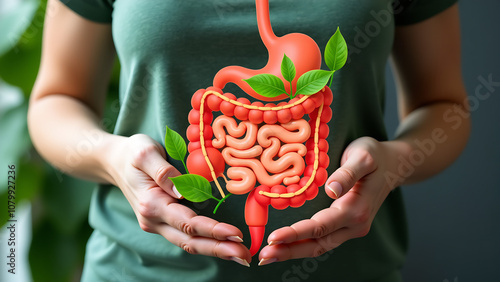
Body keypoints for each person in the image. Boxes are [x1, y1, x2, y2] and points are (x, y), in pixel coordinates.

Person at [28, 0, 470, 281]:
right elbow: (55, 100)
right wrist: (112, 156)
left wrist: (395, 161)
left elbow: (443, 105)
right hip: (141, 272)